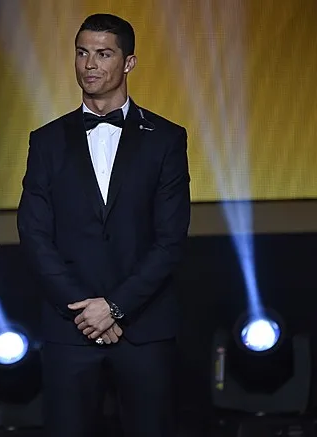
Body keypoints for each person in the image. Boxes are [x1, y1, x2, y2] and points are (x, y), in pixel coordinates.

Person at [17, 13, 191, 437]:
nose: (89, 64)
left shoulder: (166, 139)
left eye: (103, 54)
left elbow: (170, 240)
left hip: (144, 330)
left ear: (129, 63)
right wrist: (86, 309)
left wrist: (114, 308)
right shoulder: (46, 140)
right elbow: (35, 235)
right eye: (81, 53)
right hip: (69, 331)